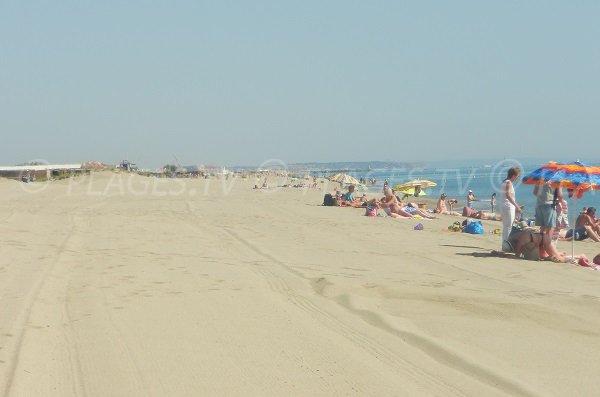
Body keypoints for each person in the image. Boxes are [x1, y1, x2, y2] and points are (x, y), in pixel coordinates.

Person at [533, 181, 559, 255]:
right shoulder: (556, 180)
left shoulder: (540, 179)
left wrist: (543, 195)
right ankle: (547, 250)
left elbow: (535, 192)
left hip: (539, 205)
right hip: (549, 205)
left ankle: (540, 250)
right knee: (550, 229)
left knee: (542, 229)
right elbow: (560, 195)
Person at [500, 167, 522, 252]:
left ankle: (505, 245)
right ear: (513, 175)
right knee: (509, 226)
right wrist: (517, 206)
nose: (517, 178)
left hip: (504, 206)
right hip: (508, 206)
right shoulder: (509, 183)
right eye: (517, 176)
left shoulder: (504, 182)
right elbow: (508, 195)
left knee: (506, 226)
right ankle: (507, 246)